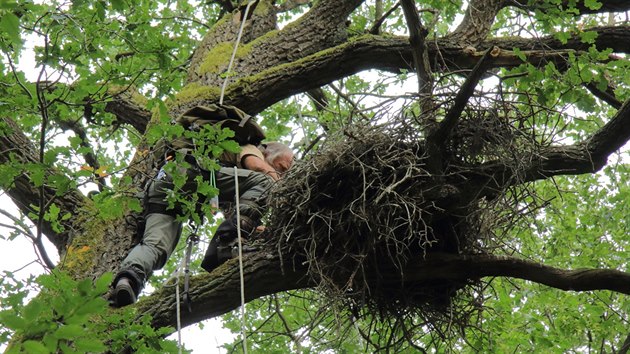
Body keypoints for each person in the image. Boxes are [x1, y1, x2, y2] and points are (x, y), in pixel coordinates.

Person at [110, 106, 294, 307]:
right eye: (280, 167)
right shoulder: (251, 148)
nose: (280, 174)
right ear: (268, 151)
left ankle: (128, 280)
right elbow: (259, 169)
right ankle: (227, 246)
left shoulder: (236, 182)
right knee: (266, 183)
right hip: (194, 172)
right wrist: (282, 186)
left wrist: (260, 231)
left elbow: (236, 216)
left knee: (155, 245)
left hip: (166, 184)